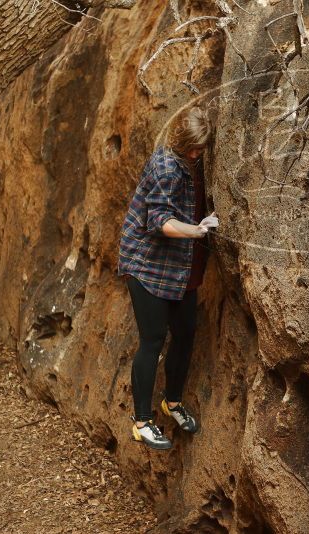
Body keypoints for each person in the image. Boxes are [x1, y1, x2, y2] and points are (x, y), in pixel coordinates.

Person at [116, 106, 219, 450]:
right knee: (153, 338)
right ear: (181, 142)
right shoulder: (165, 166)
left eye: (201, 149)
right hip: (146, 264)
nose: (196, 154)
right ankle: (142, 423)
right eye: (194, 148)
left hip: (176, 268)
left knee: (186, 331)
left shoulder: (189, 162)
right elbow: (158, 221)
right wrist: (197, 231)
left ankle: (172, 402)